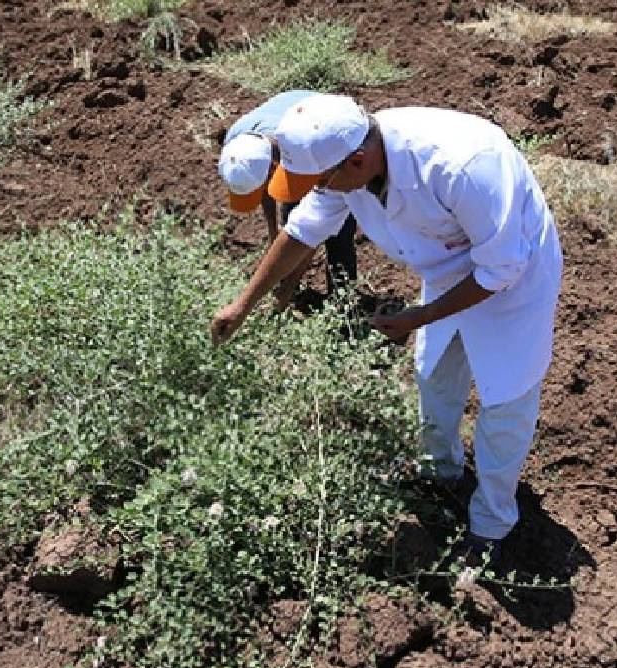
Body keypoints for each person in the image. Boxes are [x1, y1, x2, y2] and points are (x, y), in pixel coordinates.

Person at [210, 94, 563, 568]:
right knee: (434, 372)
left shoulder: (463, 165)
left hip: (513, 272)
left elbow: (500, 268)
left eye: (321, 180)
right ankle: (441, 471)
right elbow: (304, 228)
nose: (318, 189)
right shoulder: (346, 159)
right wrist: (242, 305)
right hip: (446, 260)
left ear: (357, 162)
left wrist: (418, 317)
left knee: (505, 401)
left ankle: (490, 526)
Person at [217, 90, 357, 304]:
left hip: (332, 131)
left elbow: (312, 225)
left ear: (274, 169)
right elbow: (265, 191)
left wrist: (288, 289)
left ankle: (344, 305)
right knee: (289, 221)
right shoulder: (238, 145)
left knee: (338, 231)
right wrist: (274, 237)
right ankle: (288, 278)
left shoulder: (303, 149)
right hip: (292, 117)